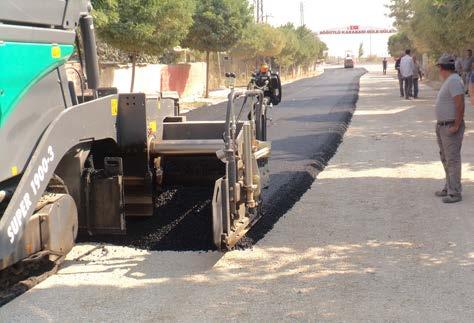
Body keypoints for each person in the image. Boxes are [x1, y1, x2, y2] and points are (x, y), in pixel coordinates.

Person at [434, 54, 466, 203]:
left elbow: (460, 105)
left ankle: (455, 193)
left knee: (452, 159)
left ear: (442, 68)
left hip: (450, 126)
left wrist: (456, 125)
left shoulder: (453, 81)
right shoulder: (450, 80)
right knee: (446, 158)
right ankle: (449, 187)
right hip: (443, 126)